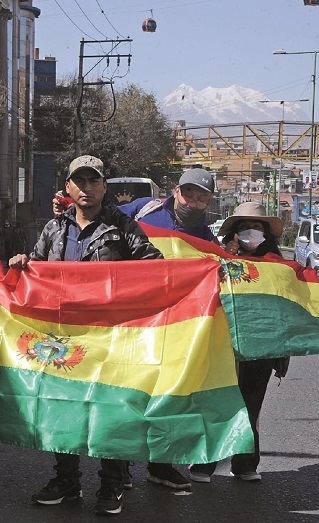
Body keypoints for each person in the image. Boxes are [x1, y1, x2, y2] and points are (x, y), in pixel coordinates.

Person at [9, 154, 162, 516]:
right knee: (63, 408)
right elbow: (37, 270)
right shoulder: (53, 229)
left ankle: (112, 484)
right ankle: (66, 480)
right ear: (68, 187)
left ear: (104, 187)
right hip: (63, 340)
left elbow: (153, 267)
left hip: (110, 338)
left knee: (110, 409)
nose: (86, 188)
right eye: (79, 181)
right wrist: (21, 265)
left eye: (94, 181)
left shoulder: (123, 227)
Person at [118, 167, 216, 491]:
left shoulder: (206, 239)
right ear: (176, 191)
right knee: (130, 394)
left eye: (202, 198)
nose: (194, 201)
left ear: (208, 203)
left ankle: (160, 466)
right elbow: (105, 223)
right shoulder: (143, 209)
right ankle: (119, 469)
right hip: (135, 320)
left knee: (169, 396)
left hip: (175, 329)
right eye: (189, 194)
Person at [189, 201, 288, 483]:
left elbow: (287, 310)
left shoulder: (279, 266)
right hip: (223, 345)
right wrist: (223, 259)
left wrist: (281, 352)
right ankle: (204, 464)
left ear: (266, 233)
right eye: (245, 227)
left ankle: (245, 464)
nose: (252, 232)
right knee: (216, 402)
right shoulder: (216, 261)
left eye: (257, 227)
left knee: (250, 406)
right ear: (234, 232)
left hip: (262, 348)